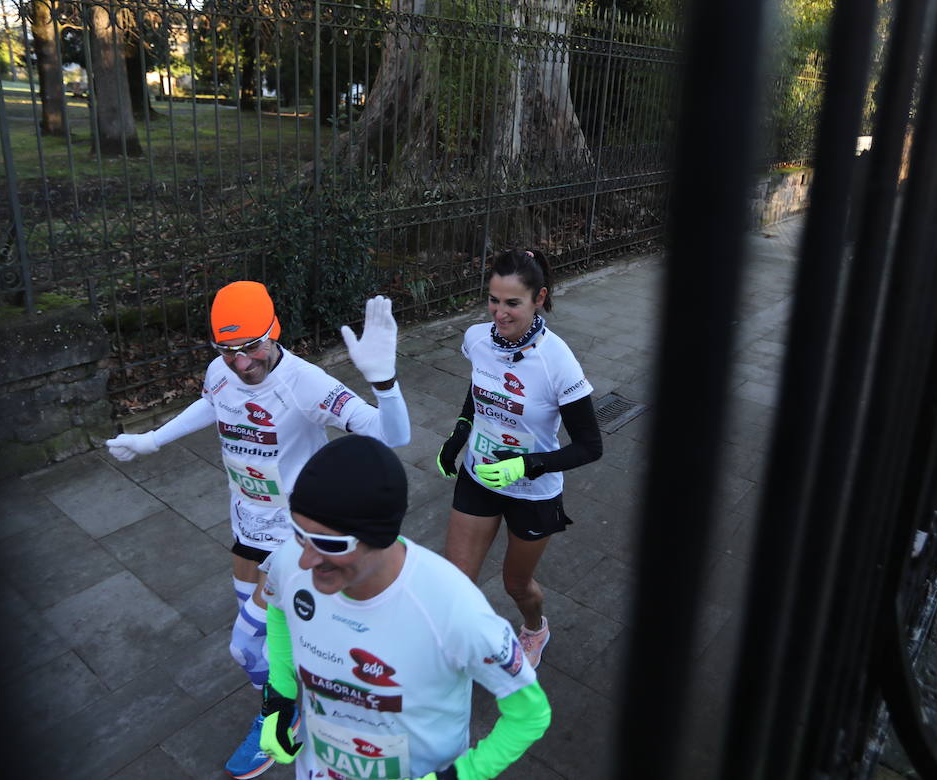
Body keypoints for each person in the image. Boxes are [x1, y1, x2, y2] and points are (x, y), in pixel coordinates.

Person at [103, 281, 410, 777]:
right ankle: (294, 701)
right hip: (247, 530)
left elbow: (395, 435)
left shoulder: (305, 383)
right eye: (227, 351)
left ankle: (284, 719)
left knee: (246, 645)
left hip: (293, 545)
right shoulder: (220, 373)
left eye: (251, 347)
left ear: (275, 332)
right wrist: (153, 440)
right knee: (275, 645)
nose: (242, 363)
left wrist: (386, 382)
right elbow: (214, 402)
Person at [247, 434, 552, 780]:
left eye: (329, 543)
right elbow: (279, 610)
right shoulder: (291, 561)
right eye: (299, 533)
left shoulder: (455, 610)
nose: (306, 558)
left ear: (381, 534)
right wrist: (280, 698)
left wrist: (461, 775)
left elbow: (530, 714)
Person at [435, 249, 602, 669]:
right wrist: (459, 433)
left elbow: (590, 446)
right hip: (479, 475)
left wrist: (527, 465)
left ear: (538, 298)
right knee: (455, 582)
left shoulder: (557, 361)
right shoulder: (476, 338)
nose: (499, 313)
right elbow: (478, 392)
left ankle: (533, 628)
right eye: (493, 300)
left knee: (516, 584)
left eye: (512, 303)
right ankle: (458, 652)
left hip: (532, 491)